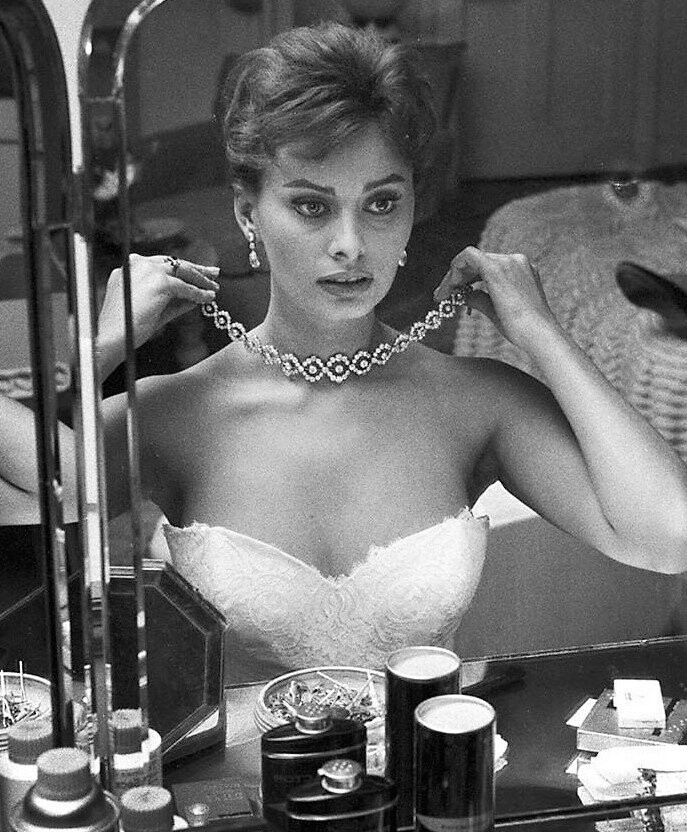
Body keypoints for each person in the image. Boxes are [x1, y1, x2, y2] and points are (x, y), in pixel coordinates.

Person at [2, 22, 687, 679]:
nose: (351, 245)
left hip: (434, 784)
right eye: (311, 206)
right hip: (237, 794)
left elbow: (667, 537)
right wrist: (100, 346)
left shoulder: (477, 401)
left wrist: (542, 331)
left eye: (382, 203)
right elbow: (44, 491)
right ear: (248, 212)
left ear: (414, 205)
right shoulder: (177, 412)